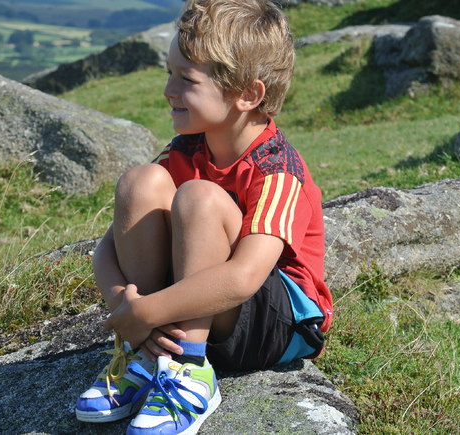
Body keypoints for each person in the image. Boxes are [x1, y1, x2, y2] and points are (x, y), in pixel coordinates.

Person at [75, 0, 334, 433]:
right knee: (141, 183)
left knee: (200, 198)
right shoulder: (184, 150)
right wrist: (127, 308)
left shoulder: (278, 170)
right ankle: (148, 356)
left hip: (275, 326)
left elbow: (244, 278)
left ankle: (189, 369)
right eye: (169, 73)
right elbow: (108, 249)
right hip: (187, 311)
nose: (169, 90)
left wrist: (147, 312)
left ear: (248, 95)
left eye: (187, 79)